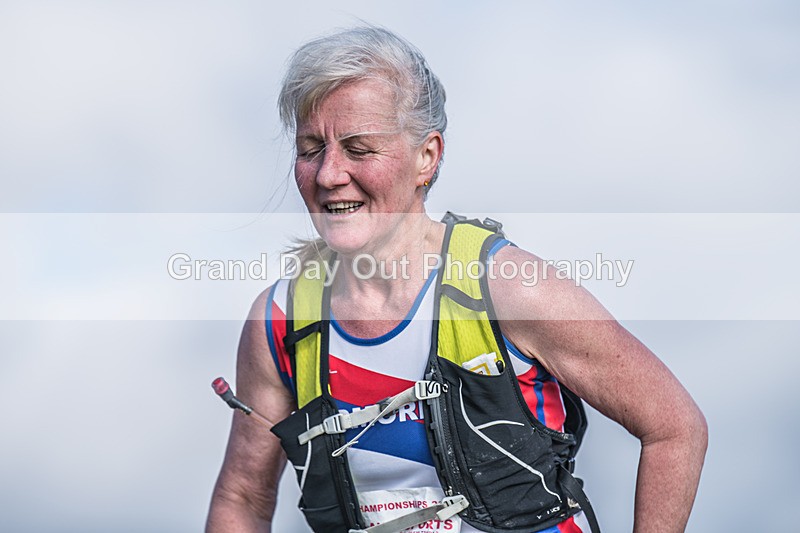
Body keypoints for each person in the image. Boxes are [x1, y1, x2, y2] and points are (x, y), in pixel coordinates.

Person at [207, 26, 707, 533]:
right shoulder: (281, 321)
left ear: (427, 156)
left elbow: (674, 428)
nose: (329, 173)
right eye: (311, 148)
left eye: (359, 149)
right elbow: (243, 497)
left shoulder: (510, 288)